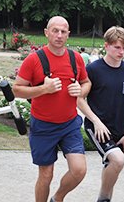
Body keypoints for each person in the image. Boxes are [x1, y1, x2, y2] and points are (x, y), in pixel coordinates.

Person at [13, 16, 91, 202]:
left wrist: (81, 90)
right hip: (43, 126)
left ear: (68, 34)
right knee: (46, 174)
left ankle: (57, 198)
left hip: (69, 124)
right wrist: (43, 89)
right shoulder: (34, 59)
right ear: (46, 32)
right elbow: (17, 89)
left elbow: (86, 82)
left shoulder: (76, 58)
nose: (59, 35)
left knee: (79, 170)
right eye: (55, 31)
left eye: (63, 32)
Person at [77, 26, 124, 202]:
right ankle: (102, 199)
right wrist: (96, 122)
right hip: (98, 127)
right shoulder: (93, 69)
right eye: (117, 47)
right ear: (106, 46)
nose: (122, 51)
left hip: (120, 129)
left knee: (113, 166)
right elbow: (79, 100)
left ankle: (106, 198)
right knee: (118, 161)